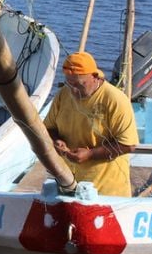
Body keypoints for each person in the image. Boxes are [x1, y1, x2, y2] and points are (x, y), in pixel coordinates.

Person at [43, 51, 139, 197]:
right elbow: (48, 128)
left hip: (106, 191)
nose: (74, 91)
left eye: (80, 85)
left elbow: (128, 145)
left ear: (95, 77)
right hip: (69, 184)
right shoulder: (63, 94)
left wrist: (91, 154)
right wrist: (56, 140)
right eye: (70, 84)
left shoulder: (115, 100)